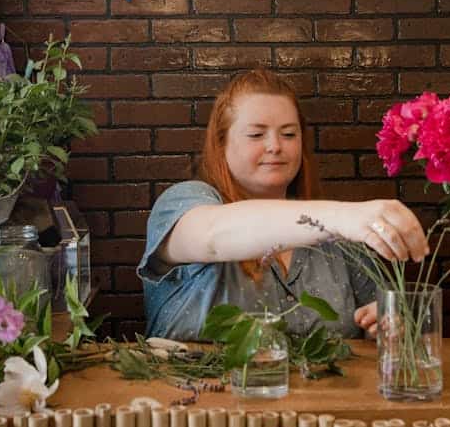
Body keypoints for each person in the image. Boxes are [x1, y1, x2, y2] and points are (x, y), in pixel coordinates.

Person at [139, 69, 429, 342]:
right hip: (194, 394)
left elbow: (380, 317)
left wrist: (386, 324)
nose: (275, 146)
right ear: (221, 144)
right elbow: (213, 235)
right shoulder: (183, 202)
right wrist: (343, 216)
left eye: (289, 134)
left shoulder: (341, 235)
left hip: (330, 396)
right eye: (256, 134)